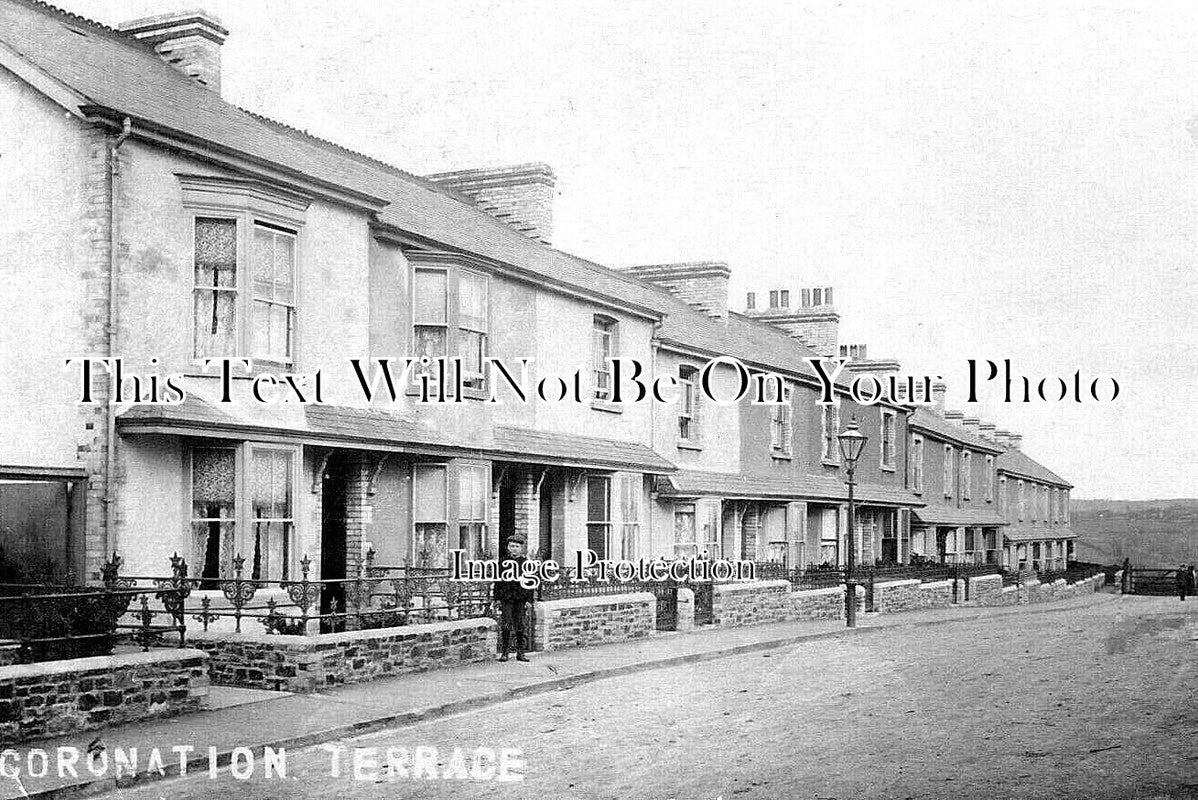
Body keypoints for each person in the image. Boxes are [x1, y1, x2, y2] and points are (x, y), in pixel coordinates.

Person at [494, 535, 534, 662]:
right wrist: (496, 598)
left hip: (520, 599)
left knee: (520, 625)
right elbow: (498, 581)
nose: (514, 549)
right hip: (507, 599)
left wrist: (529, 600)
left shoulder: (526, 563)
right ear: (508, 547)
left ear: (521, 548)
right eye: (512, 546)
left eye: (517, 546)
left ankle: (520, 653)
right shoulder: (502, 562)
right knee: (506, 624)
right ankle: (505, 652)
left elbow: (530, 582)